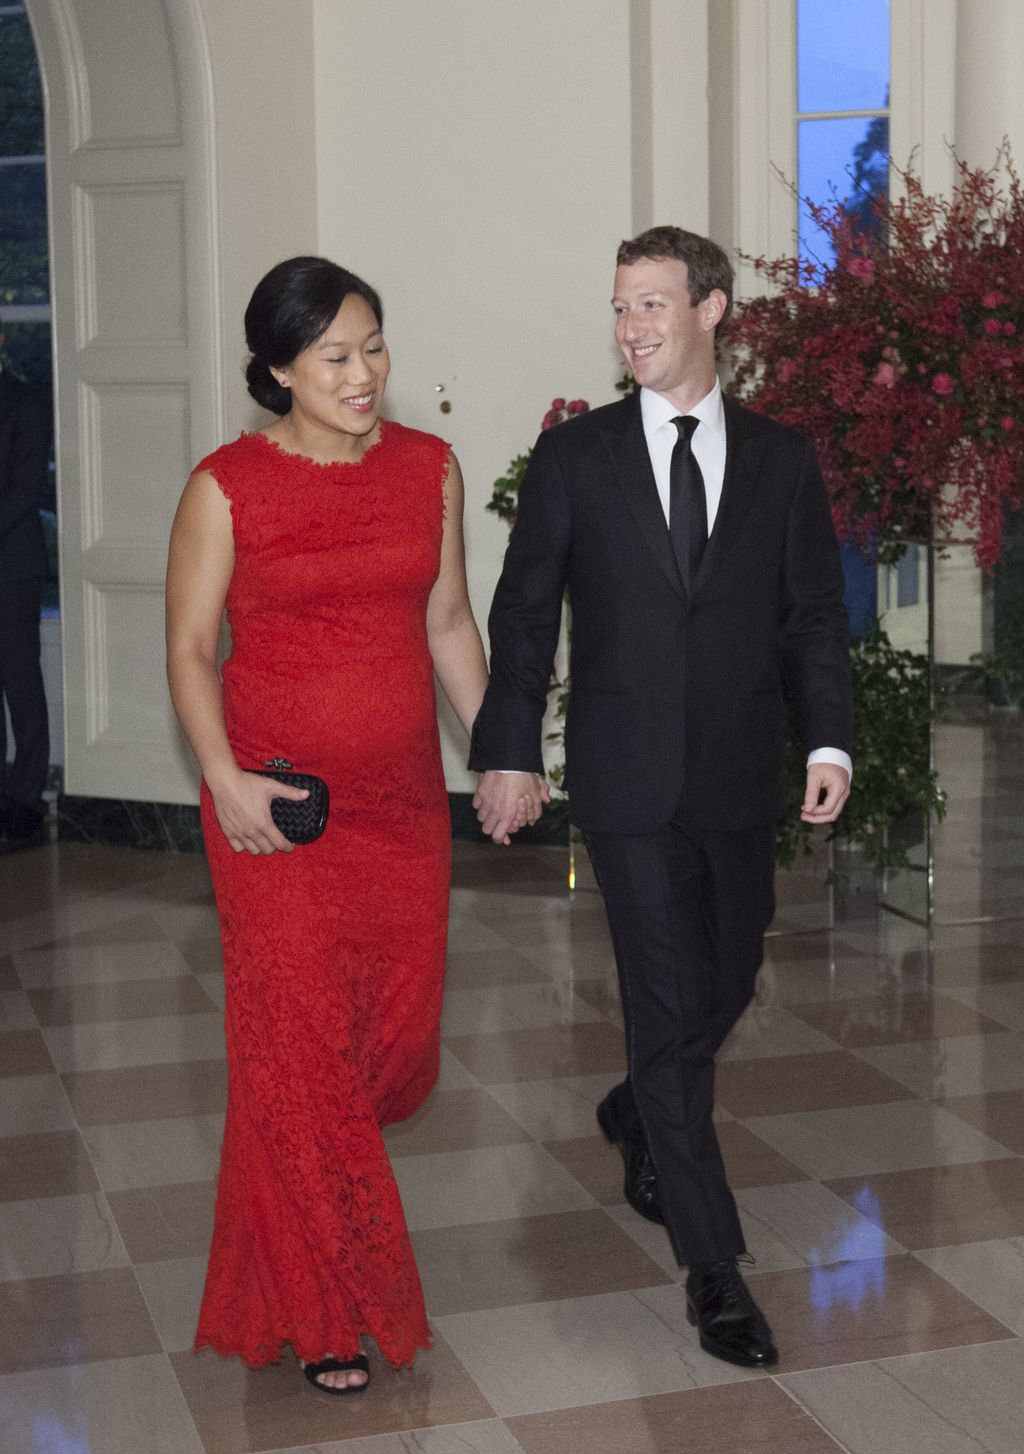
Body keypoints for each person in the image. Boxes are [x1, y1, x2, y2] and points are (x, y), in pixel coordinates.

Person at [470, 226, 852, 1370]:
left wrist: (826, 737)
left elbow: (811, 616)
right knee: (666, 1001)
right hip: (625, 779)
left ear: (712, 309)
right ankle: (713, 1265)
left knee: (729, 971)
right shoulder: (573, 458)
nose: (632, 327)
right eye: (620, 307)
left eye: (651, 304)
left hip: (739, 772)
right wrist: (506, 750)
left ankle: (638, 1109)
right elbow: (526, 613)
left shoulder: (782, 458)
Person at [166, 256, 534, 1395]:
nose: (364, 372)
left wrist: (503, 749)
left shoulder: (428, 469)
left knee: (392, 1052)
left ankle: (297, 1228)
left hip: (401, 814)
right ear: (277, 368)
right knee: (301, 1055)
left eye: (373, 345)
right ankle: (335, 1309)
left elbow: (448, 622)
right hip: (276, 814)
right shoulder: (225, 486)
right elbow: (188, 648)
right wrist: (223, 776)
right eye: (334, 354)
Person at [0, 328, 51, 849]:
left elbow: (25, 490)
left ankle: (25, 799)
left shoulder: (25, 402)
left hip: (11, 566)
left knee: (20, 682)